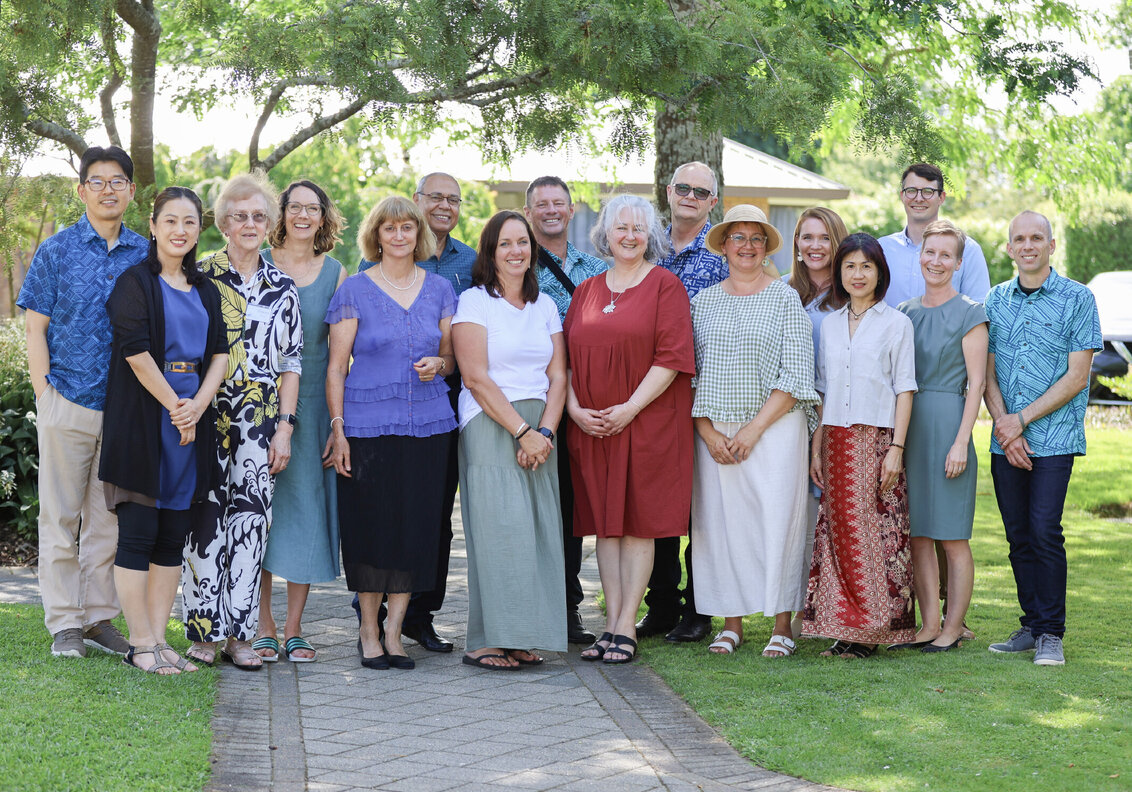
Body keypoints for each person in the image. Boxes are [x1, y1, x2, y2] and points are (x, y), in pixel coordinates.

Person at [18, 145, 146, 658]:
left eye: (117, 181)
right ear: (81, 190)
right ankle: (65, 623)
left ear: (131, 191)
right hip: (66, 400)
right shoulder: (56, 250)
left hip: (124, 410)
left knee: (106, 522)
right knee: (60, 518)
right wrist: (44, 394)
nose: (107, 189)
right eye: (97, 181)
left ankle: (98, 618)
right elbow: (35, 328)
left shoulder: (146, 253)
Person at [100, 187, 228, 673]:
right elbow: (135, 353)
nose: (180, 230)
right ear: (152, 227)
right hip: (145, 421)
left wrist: (197, 406)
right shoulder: (134, 282)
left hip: (191, 419)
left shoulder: (206, 289)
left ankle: (159, 641)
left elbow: (220, 354)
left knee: (173, 536)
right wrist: (178, 407)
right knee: (138, 533)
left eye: (189, 222)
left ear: (199, 230)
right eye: (170, 220)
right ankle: (140, 644)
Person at [327, 195, 456, 671]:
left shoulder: (440, 288)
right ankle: (368, 629)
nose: (399, 236)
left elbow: (451, 359)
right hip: (366, 428)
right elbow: (336, 367)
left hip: (429, 427)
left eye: (407, 227)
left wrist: (439, 363)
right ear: (376, 235)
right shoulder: (354, 290)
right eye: (389, 228)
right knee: (371, 528)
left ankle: (396, 633)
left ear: (418, 233)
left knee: (414, 528)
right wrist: (338, 429)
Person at [566, 194, 695, 665]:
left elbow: (672, 358)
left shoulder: (665, 286)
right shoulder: (586, 290)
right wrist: (574, 410)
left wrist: (630, 408)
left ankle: (625, 626)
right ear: (606, 233)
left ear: (650, 236)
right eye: (621, 227)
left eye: (639, 229)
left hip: (647, 423)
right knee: (607, 526)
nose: (629, 236)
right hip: (594, 426)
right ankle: (610, 624)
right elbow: (566, 361)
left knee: (638, 523)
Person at [183, 173, 303, 670]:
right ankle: (203, 634)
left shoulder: (283, 287)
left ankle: (239, 636)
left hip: (262, 419)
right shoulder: (199, 276)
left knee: (251, 522)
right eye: (239, 216)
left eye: (258, 216)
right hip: (207, 412)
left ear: (269, 224)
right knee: (204, 519)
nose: (249, 224)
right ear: (223, 224)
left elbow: (291, 364)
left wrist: (285, 428)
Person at [690, 205, 819, 658]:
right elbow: (689, 374)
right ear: (724, 246)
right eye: (738, 237)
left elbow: (798, 373)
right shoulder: (702, 303)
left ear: (766, 248)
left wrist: (753, 430)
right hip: (715, 431)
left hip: (775, 427)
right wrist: (708, 433)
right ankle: (732, 624)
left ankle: (782, 624)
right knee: (723, 526)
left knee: (779, 522)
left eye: (756, 238)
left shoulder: (785, 299)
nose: (747, 246)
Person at [359, 172, 475, 653]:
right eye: (436, 197)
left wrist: (446, 365)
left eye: (454, 199)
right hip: (382, 406)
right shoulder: (376, 263)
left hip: (445, 402)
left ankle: (420, 616)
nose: (445, 205)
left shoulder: (471, 262)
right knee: (382, 510)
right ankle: (370, 616)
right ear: (417, 201)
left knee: (433, 514)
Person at [983, 211, 1101, 667]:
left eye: (1037, 238)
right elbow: (987, 372)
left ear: (1051, 245)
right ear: (1009, 248)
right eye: (1020, 239)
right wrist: (1004, 426)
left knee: (1044, 530)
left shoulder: (1078, 298)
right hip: (1006, 439)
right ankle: (1031, 625)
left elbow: (1077, 376)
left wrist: (1021, 420)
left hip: (1055, 437)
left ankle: (1052, 633)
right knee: (1017, 535)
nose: (1028, 245)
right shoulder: (995, 300)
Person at [452, 211, 568, 670]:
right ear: (490, 252)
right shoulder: (474, 302)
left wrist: (545, 432)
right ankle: (484, 640)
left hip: (541, 427)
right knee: (499, 529)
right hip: (490, 422)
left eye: (523, 242)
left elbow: (559, 376)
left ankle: (520, 636)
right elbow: (475, 377)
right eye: (505, 243)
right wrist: (521, 431)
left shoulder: (545, 306)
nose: (516, 251)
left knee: (536, 532)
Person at [802, 233, 918, 658]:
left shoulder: (896, 323)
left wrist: (896, 448)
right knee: (839, 533)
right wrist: (816, 448)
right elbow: (822, 389)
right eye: (849, 266)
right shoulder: (830, 324)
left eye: (866, 266)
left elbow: (905, 388)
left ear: (879, 272)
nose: (857, 274)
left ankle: (874, 627)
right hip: (835, 439)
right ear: (839, 272)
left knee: (878, 532)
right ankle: (845, 626)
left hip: (878, 439)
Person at [253, 180, 348, 663]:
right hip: (256, 406)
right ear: (282, 213)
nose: (304, 216)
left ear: (324, 217)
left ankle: (294, 627)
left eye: (314, 208)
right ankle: (263, 624)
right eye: (296, 207)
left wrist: (337, 424)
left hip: (311, 409)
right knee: (259, 512)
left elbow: (340, 359)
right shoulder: (256, 262)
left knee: (306, 513)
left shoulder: (335, 274)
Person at [639, 161, 728, 645]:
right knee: (657, 503)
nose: (690, 196)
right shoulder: (644, 246)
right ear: (669, 191)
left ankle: (698, 608)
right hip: (651, 395)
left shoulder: (722, 253)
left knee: (700, 509)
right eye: (683, 188)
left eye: (701, 191)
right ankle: (661, 605)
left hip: (702, 395)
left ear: (713, 201)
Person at [894, 220, 987, 653]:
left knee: (952, 535)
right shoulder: (905, 313)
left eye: (946, 254)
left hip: (951, 422)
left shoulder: (971, 312)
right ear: (921, 256)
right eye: (930, 252)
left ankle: (953, 626)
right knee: (918, 534)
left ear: (958, 262)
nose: (936, 261)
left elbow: (977, 383)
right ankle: (929, 624)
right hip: (911, 426)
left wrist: (961, 441)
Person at [524, 175, 608, 645]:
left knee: (573, 511)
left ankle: (569, 606)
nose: (551, 210)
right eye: (542, 204)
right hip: (534, 406)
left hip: (587, 405)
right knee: (537, 509)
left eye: (559, 203)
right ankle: (532, 605)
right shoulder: (516, 266)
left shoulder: (596, 270)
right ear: (529, 212)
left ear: (572, 210)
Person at [784, 206, 848, 637]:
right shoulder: (783, 291)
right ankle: (796, 610)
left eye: (824, 237)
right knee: (799, 518)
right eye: (807, 237)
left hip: (839, 414)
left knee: (837, 512)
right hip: (791, 415)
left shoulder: (853, 294)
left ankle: (836, 608)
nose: (815, 246)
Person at [879, 163, 990, 307]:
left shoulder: (968, 249)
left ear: (941, 197)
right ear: (902, 196)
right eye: (911, 191)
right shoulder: (882, 248)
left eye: (928, 191)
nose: (919, 198)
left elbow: (979, 308)